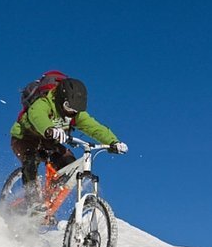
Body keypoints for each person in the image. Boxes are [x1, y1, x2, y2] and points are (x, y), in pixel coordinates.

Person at [10, 77, 128, 206]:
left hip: (49, 142)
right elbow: (37, 115)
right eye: (68, 107)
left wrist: (113, 142)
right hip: (25, 138)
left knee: (69, 164)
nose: (71, 112)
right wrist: (49, 128)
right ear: (61, 99)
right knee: (31, 161)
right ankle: (32, 201)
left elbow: (95, 128)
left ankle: (49, 200)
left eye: (75, 110)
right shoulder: (44, 103)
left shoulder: (75, 115)